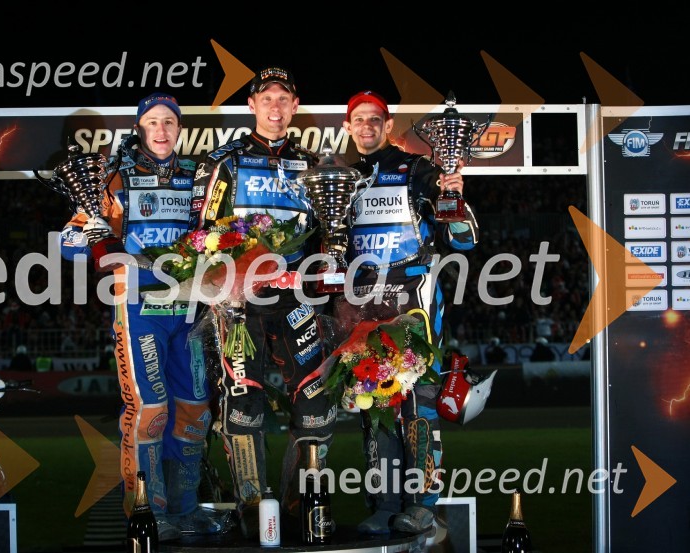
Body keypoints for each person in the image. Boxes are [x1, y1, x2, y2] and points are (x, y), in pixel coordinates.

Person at [59, 93, 221, 541]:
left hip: (190, 308)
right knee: (151, 410)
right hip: (139, 309)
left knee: (194, 413)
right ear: (140, 128)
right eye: (153, 122)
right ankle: (149, 511)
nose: (163, 130)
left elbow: (221, 234)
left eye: (170, 122)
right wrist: (92, 234)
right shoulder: (115, 179)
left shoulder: (198, 176)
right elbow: (66, 244)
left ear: (180, 128)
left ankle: (186, 510)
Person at [189, 67, 335, 538]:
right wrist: (236, 258)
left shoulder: (314, 163)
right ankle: (254, 512)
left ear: (295, 107)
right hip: (241, 299)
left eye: (283, 98)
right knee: (242, 403)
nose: (275, 106)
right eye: (266, 97)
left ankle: (304, 509)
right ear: (252, 105)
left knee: (315, 403)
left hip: (298, 300)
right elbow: (201, 234)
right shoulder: (225, 161)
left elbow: (329, 237)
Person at [335, 90, 480, 534]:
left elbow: (463, 240)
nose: (366, 127)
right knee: (374, 401)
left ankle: (422, 501)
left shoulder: (417, 170)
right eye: (358, 119)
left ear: (387, 124)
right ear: (347, 126)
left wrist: (453, 200)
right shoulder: (337, 177)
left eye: (375, 119)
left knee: (419, 400)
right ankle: (383, 503)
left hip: (413, 297)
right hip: (362, 304)